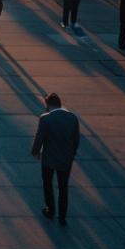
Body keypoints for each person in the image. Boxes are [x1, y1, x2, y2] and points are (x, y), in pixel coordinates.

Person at [31, 93, 81, 225]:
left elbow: (39, 137)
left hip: (48, 158)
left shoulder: (46, 119)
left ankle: (50, 209)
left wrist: (35, 152)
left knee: (48, 184)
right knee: (63, 187)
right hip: (65, 159)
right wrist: (71, 155)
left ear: (48, 105)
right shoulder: (72, 118)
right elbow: (76, 140)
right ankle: (62, 216)